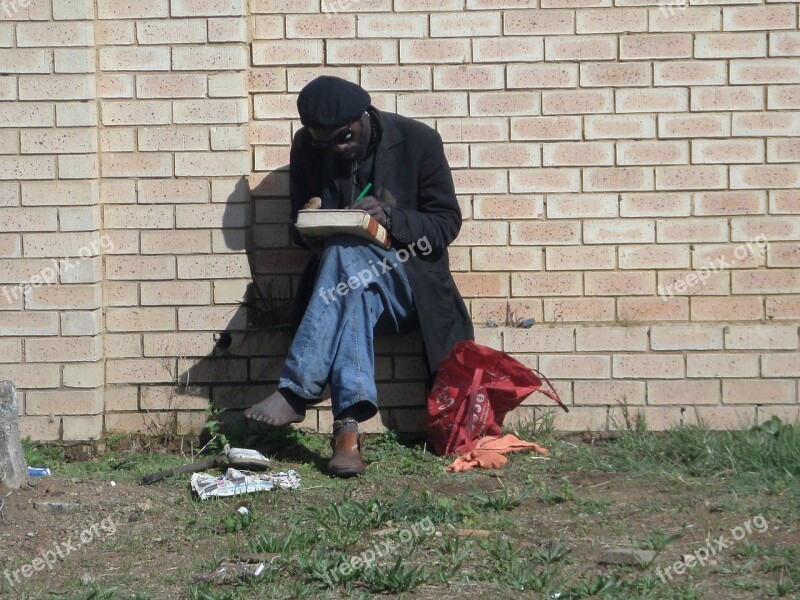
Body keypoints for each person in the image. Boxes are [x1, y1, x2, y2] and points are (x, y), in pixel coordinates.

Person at [245, 76, 474, 477]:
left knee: (344, 254)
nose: (336, 148)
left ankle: (296, 389)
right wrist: (312, 223)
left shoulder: (418, 141)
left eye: (344, 137)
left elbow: (446, 224)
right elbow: (299, 232)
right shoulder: (308, 150)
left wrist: (391, 217)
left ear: (363, 118)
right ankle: (347, 439)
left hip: (409, 286)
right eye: (324, 143)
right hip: (348, 291)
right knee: (351, 283)